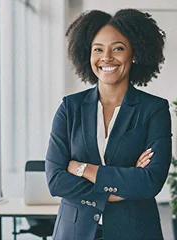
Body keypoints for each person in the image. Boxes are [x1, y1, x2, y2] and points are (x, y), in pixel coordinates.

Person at [45, 8, 172, 240]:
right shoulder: (69, 108)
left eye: (118, 48)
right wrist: (125, 181)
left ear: (134, 53)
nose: (107, 57)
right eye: (98, 49)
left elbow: (150, 182)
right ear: (87, 54)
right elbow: (55, 180)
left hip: (134, 231)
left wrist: (83, 169)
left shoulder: (154, 110)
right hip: (75, 232)